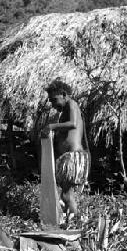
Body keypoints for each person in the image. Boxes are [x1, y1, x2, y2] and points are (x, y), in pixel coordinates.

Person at [42, 78, 90, 227]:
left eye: (54, 99)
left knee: (67, 194)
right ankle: (71, 220)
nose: (53, 104)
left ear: (63, 94)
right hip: (69, 156)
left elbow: (73, 124)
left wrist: (52, 126)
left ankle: (75, 222)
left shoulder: (72, 104)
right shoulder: (65, 110)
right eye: (50, 101)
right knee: (66, 194)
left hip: (73, 157)